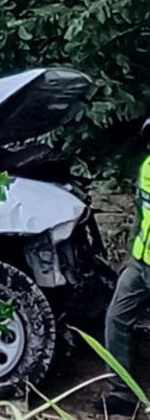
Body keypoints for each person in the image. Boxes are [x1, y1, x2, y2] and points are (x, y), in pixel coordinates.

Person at [98, 117, 150, 416]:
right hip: (141, 264)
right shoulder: (147, 168)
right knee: (116, 319)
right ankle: (121, 393)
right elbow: (141, 214)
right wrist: (131, 254)